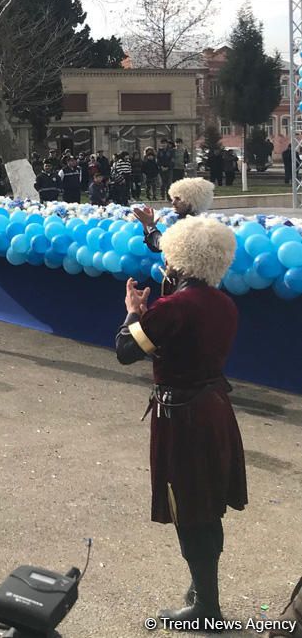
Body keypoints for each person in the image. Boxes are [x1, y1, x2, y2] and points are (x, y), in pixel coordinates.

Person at [114, 216, 245, 627]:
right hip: (214, 410)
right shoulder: (223, 302)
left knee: (190, 510)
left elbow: (124, 350)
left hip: (183, 416)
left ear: (179, 258)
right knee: (208, 506)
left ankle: (207, 607)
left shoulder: (174, 308)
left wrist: (132, 313)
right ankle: (203, 587)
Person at [134, 177, 214, 254]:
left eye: (178, 199)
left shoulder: (195, 225)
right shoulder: (178, 222)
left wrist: (150, 225)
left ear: (192, 202)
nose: (173, 203)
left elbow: (164, 245)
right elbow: (158, 249)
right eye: (173, 198)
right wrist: (147, 228)